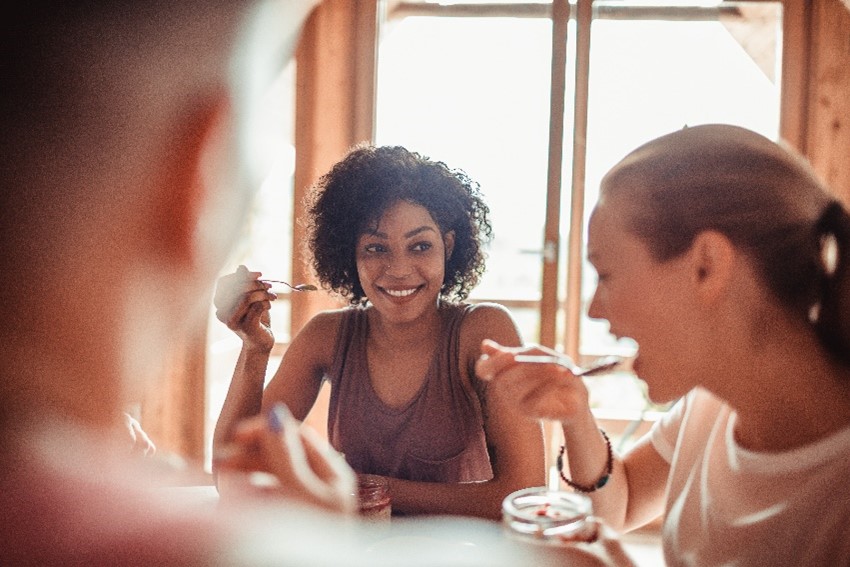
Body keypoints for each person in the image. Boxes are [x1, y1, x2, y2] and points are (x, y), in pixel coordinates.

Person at [477, 124, 850, 566]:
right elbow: (623, 503)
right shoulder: (710, 403)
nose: (595, 310)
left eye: (606, 274)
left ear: (706, 267)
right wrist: (577, 415)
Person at [213, 144, 545, 519]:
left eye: (420, 245)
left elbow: (527, 493)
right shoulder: (326, 336)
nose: (399, 269)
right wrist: (254, 350)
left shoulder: (482, 331)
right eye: (375, 248)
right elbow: (233, 476)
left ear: (448, 246)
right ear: (348, 254)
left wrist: (369, 489)